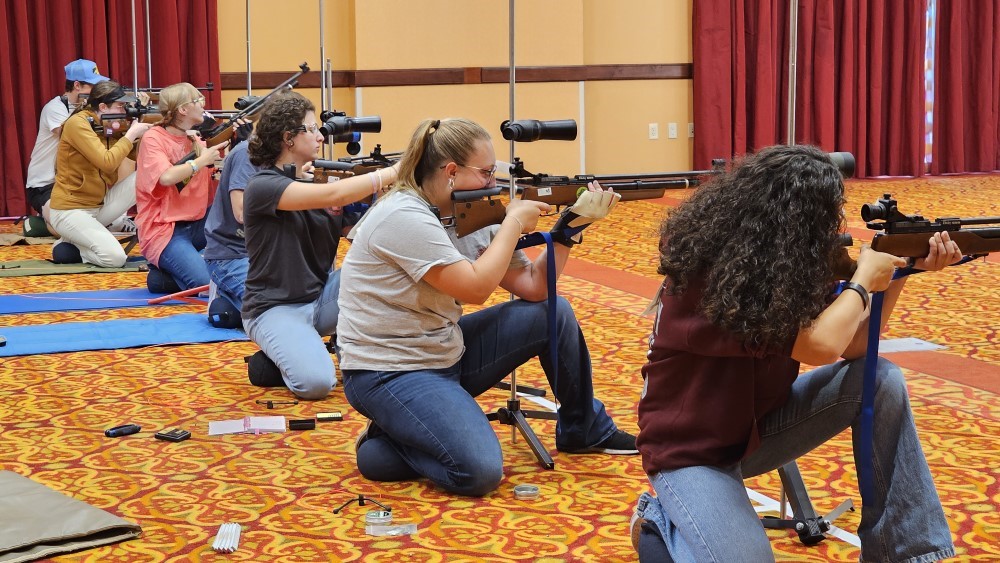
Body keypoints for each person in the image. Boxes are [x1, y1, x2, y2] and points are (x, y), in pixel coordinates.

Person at [630, 144, 958, 562]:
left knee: (878, 379)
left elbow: (855, 346)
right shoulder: (710, 279)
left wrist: (896, 273)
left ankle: (902, 552)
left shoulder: (786, 264)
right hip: (690, 453)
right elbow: (820, 346)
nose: (830, 227)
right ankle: (656, 522)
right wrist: (860, 283)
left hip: (759, 429)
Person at [336, 117, 638, 498]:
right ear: (450, 172)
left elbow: (534, 288)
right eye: (485, 173)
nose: (492, 184)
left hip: (442, 351)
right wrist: (512, 223)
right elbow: (477, 288)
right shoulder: (402, 216)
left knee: (554, 313)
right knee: (478, 471)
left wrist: (570, 227)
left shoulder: (468, 213)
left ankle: (584, 429)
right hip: (386, 372)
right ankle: (387, 440)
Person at [241, 91, 400, 400]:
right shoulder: (263, 186)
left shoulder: (321, 181)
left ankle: (326, 345)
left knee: (383, 263)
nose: (320, 136)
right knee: (316, 384)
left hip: (321, 296)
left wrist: (389, 196)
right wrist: (390, 173)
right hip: (273, 308)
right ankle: (279, 357)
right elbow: (334, 197)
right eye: (311, 129)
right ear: (288, 138)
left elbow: (361, 233)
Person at [47, 80, 152, 266]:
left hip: (97, 206)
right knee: (115, 259)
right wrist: (130, 135)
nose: (124, 110)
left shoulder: (110, 123)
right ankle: (72, 252)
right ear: (103, 106)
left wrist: (142, 129)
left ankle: (71, 242)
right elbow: (107, 163)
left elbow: (140, 157)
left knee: (147, 174)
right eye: (120, 106)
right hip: (69, 210)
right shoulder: (77, 124)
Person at [135, 82, 226, 293]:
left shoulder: (195, 139)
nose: (203, 104)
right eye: (198, 100)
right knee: (206, 285)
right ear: (183, 109)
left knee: (239, 209)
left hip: (196, 222)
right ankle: (162, 279)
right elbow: (166, 177)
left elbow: (217, 175)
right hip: (163, 230)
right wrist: (201, 161)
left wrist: (241, 140)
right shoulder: (153, 138)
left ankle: (169, 273)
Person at [23, 59, 109, 237]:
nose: (97, 92)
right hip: (45, 184)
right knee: (63, 231)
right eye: (92, 87)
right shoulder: (55, 108)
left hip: (73, 182)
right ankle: (36, 224)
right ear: (77, 85)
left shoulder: (90, 109)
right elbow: (70, 134)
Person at [202, 137, 259, 325]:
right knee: (268, 309)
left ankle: (229, 302)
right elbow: (242, 214)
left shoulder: (289, 162)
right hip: (231, 252)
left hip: (261, 253)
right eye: (310, 129)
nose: (320, 137)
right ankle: (224, 295)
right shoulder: (247, 153)